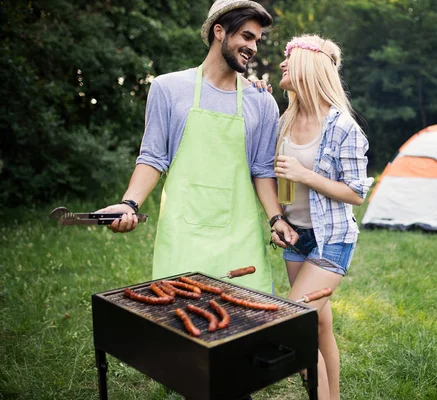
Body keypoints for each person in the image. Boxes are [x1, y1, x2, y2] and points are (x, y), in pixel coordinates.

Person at [97, 0, 297, 293]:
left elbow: (262, 169)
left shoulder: (261, 101)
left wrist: (276, 218)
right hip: (182, 235)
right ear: (219, 31)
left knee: (245, 324)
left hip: (240, 237)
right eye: (246, 36)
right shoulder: (168, 89)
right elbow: (153, 157)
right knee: (179, 321)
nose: (253, 47)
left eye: (257, 39)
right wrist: (129, 204)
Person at [272, 34, 374, 400]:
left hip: (331, 240)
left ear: (308, 66)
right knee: (318, 327)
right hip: (296, 238)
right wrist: (278, 219)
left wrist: (306, 175)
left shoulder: (342, 127)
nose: (282, 64)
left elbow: (357, 194)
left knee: (294, 324)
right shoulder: (284, 120)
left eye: (289, 58)